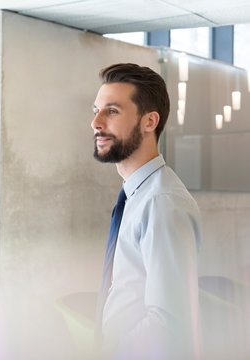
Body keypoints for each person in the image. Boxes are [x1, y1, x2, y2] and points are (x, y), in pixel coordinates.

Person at [91, 63, 202, 359]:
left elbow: (169, 327)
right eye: (96, 110)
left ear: (149, 121)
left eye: (112, 111)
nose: (96, 122)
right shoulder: (137, 195)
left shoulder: (162, 202)